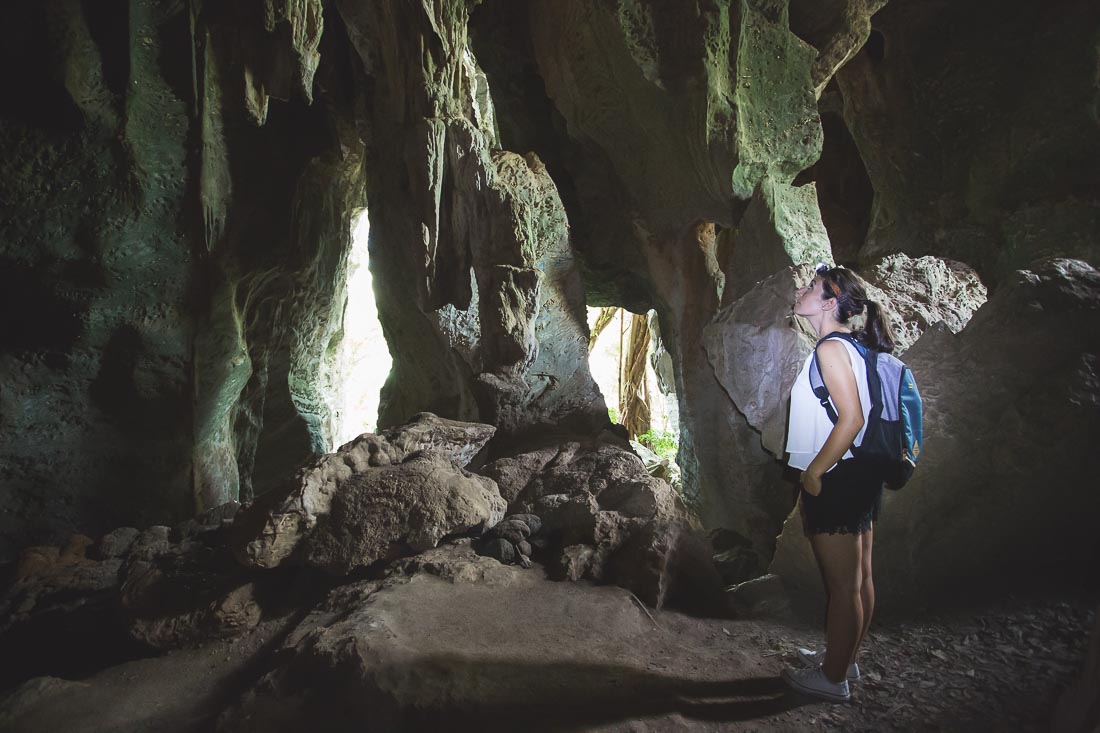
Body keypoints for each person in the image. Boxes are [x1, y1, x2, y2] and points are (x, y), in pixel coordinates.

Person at [780, 263, 898, 703]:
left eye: (811, 287)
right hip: (860, 475)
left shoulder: (831, 350)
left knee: (843, 585)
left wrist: (813, 472)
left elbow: (852, 418)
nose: (800, 290)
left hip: (838, 476)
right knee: (860, 577)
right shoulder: (853, 345)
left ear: (829, 303)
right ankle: (844, 658)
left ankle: (832, 680)